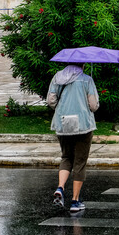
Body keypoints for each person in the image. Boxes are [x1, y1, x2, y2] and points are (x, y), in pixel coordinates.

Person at [46, 63, 99, 212]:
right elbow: (93, 105)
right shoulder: (87, 80)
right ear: (82, 64)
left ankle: (60, 187)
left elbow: (51, 101)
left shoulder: (57, 77)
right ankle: (75, 201)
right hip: (83, 125)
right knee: (80, 161)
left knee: (66, 157)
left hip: (63, 123)